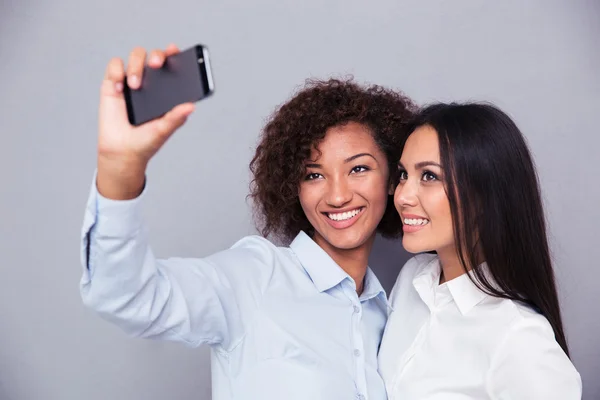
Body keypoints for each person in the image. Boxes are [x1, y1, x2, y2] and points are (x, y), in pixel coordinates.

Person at [79, 44, 416, 399]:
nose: (337, 195)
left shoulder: (388, 314)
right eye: (313, 175)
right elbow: (129, 297)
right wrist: (120, 168)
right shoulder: (255, 276)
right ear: (292, 187)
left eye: (358, 169)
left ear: (394, 178)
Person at [377, 102, 582, 399]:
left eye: (430, 176)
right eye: (403, 174)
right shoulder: (413, 279)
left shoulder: (519, 339)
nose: (402, 195)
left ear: (486, 194)